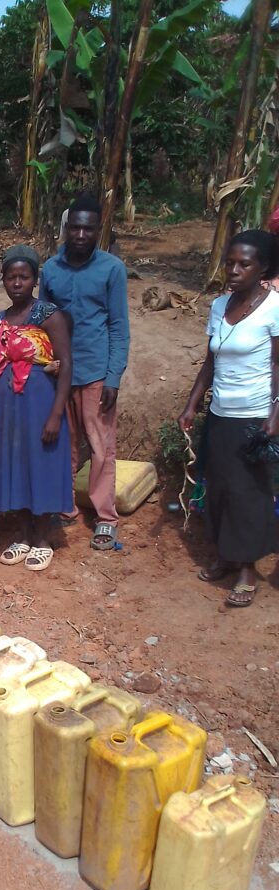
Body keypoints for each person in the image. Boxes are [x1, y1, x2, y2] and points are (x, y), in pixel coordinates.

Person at [178, 230, 278, 608]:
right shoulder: (220, 306)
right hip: (220, 413)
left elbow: (278, 365)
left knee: (247, 494)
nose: (233, 270)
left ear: (263, 267)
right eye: (230, 262)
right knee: (218, 488)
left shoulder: (274, 308)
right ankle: (226, 555)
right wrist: (192, 405)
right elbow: (210, 361)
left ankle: (247, 570)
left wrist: (276, 412)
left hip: (254, 416)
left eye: (244, 264)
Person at [39, 194, 130, 551]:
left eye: (87, 229)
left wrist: (113, 378)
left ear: (98, 230)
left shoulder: (112, 269)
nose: (80, 235)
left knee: (101, 446)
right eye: (74, 227)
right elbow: (42, 319)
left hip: (95, 372)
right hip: (59, 372)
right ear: (66, 228)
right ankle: (65, 506)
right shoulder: (50, 269)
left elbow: (119, 326)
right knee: (63, 444)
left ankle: (106, 518)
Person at [0, 245, 73, 570]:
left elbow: (66, 364)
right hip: (8, 408)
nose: (17, 283)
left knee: (41, 465)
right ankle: (22, 534)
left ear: (35, 280)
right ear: (3, 281)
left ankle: (43, 538)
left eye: (24, 277)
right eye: (11, 277)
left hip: (40, 403)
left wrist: (57, 414)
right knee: (14, 465)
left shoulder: (49, 315)